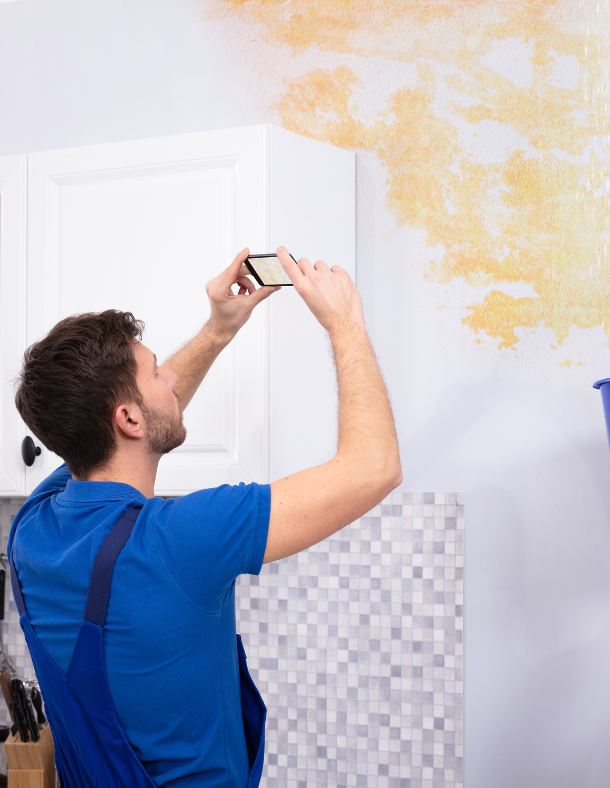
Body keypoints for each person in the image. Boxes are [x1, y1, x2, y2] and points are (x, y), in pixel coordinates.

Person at [9, 247, 401, 787]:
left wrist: (218, 330)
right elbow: (373, 468)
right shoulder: (182, 539)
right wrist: (346, 321)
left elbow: (145, 421)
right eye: (155, 374)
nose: (170, 379)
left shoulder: (31, 530)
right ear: (126, 417)